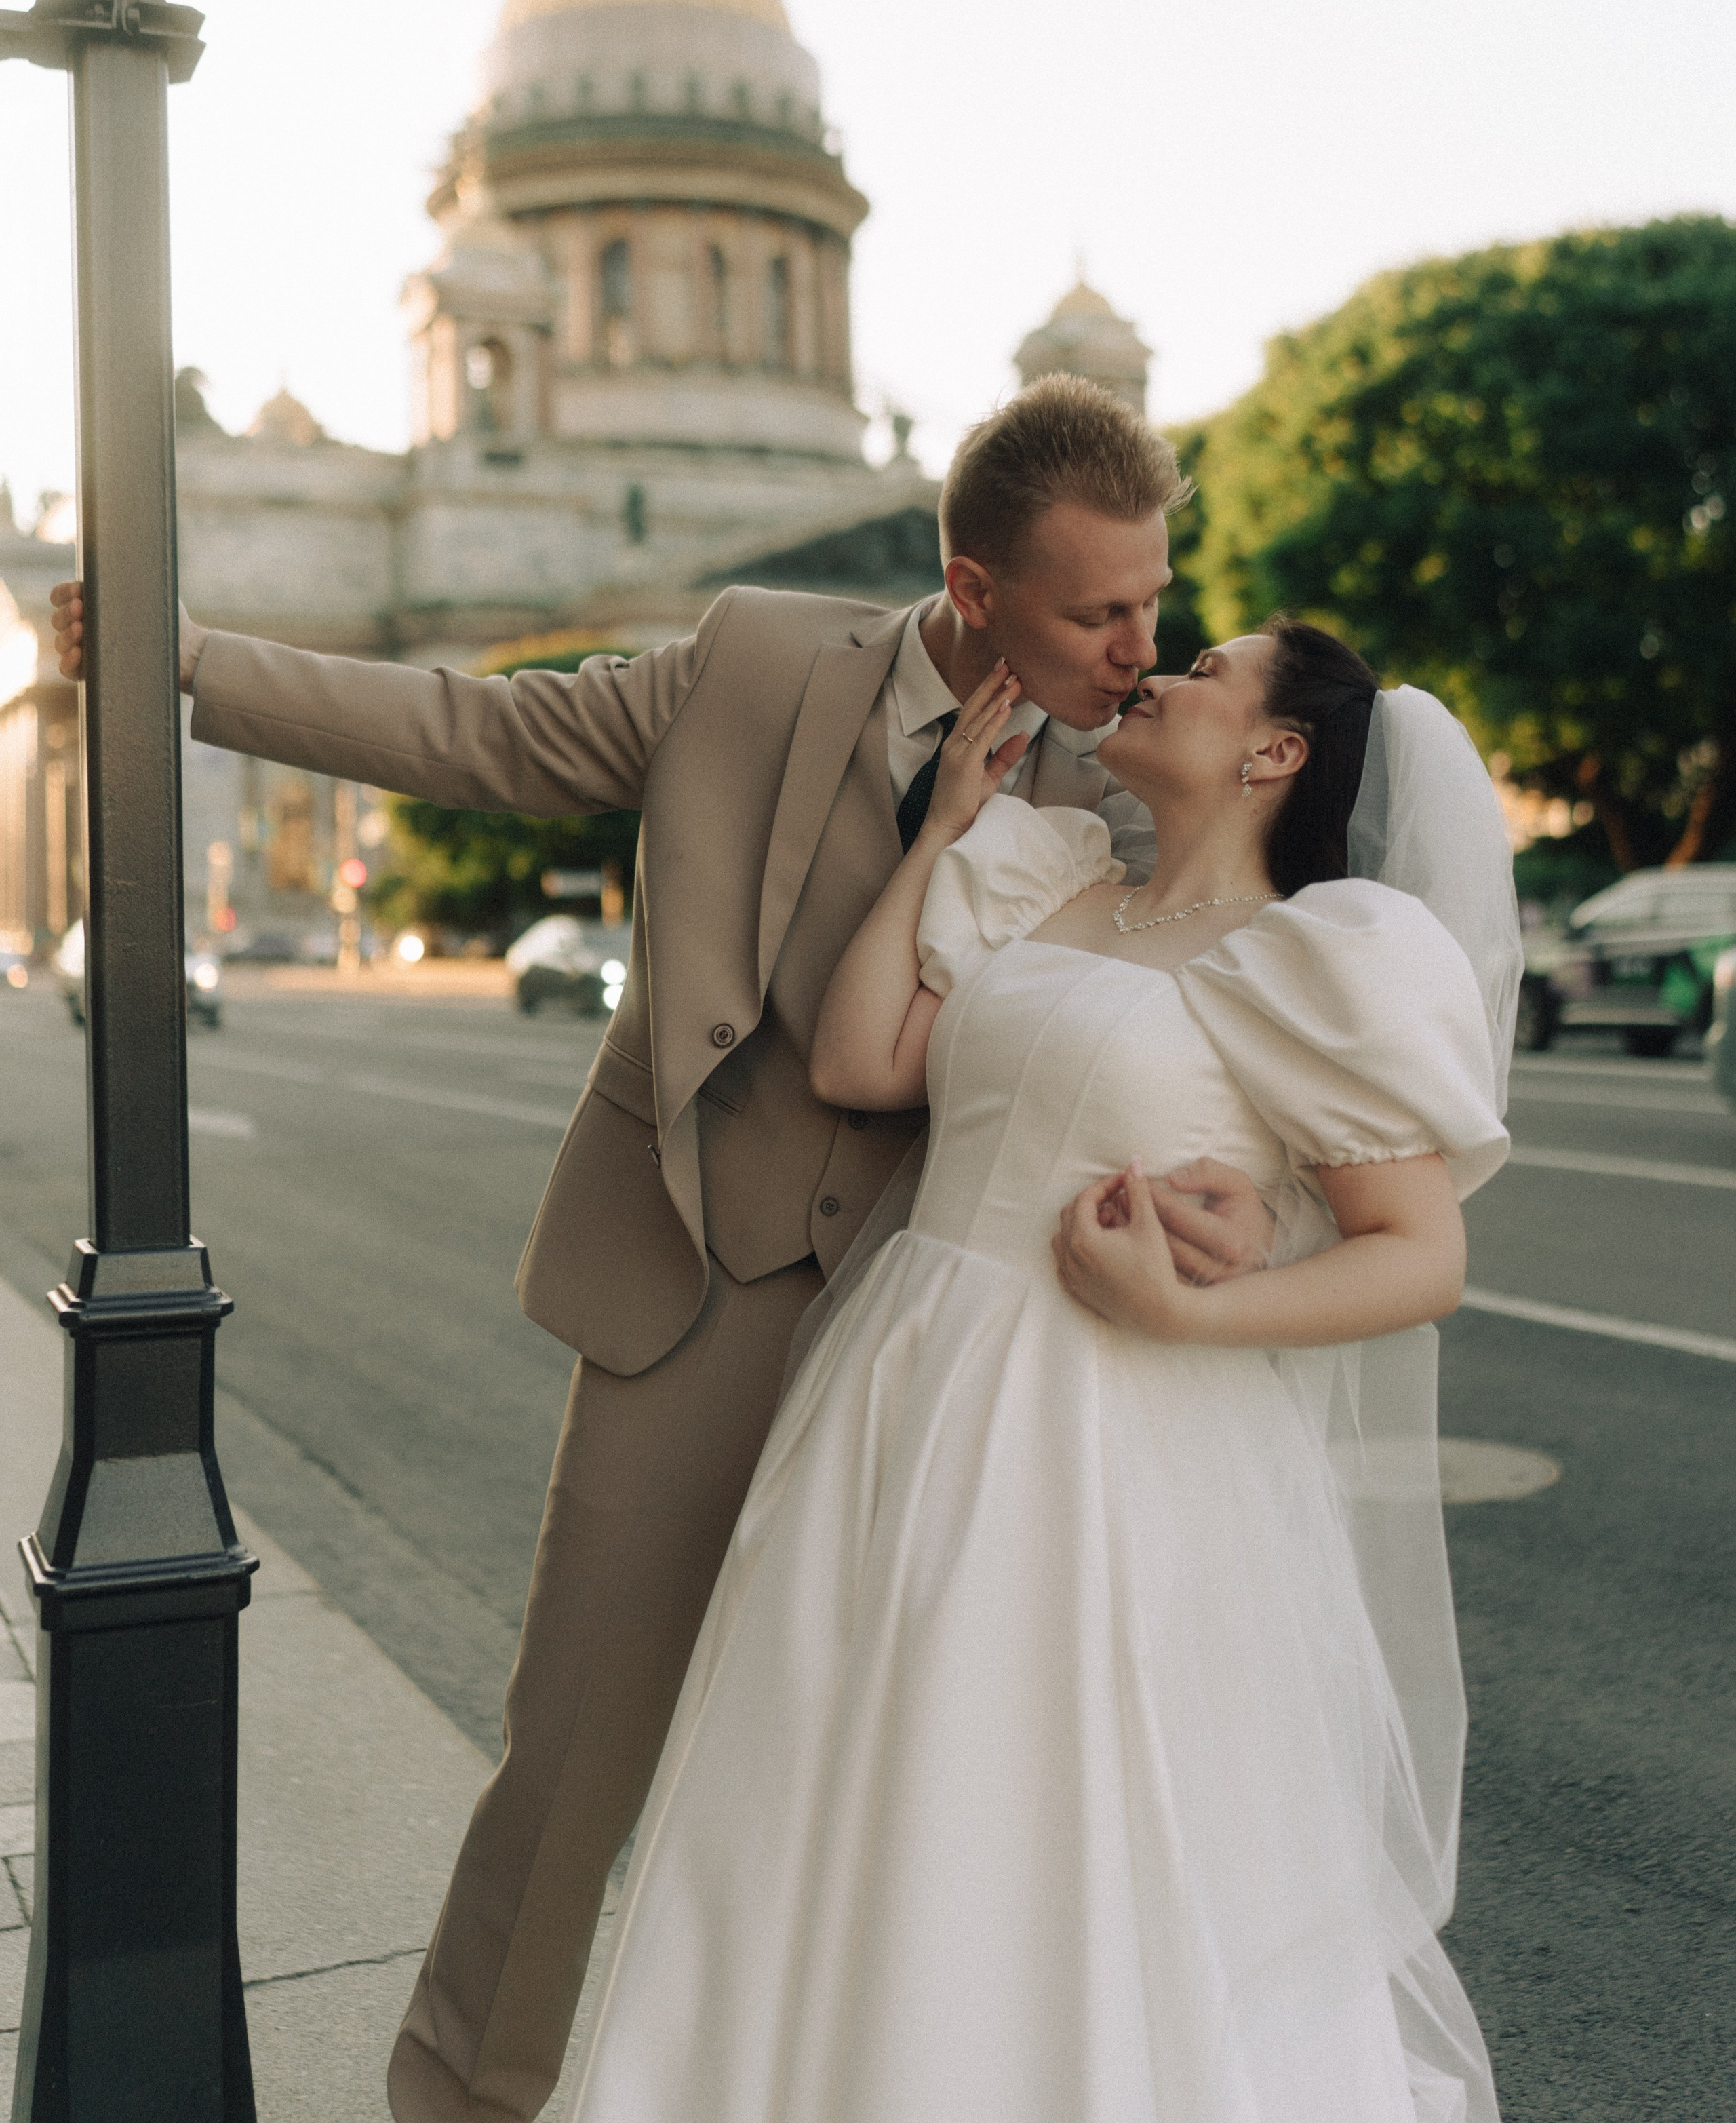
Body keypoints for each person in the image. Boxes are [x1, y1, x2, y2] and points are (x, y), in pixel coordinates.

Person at [51, 376, 1279, 2123]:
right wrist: (188, 664)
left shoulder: (1147, 767)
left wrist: (1242, 1188)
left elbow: (1216, 996)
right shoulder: (759, 657)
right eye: (1097, 609)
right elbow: (482, 737)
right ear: (972, 582)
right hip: (701, 1290)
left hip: (961, 1329)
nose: (1138, 644)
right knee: (572, 1770)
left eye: (1155, 598)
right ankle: (464, 2100)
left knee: (897, 1794)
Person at [563, 619, 1521, 2123]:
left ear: (1276, 754)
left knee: (1040, 1825)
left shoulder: (1317, 959)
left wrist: (1194, 1309)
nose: (1162, 671)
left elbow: (1418, 1254)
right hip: (903, 1381)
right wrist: (944, 824)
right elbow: (862, 1062)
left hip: (1106, 1439)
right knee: (837, 1802)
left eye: (1208, 670)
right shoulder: (1052, 874)